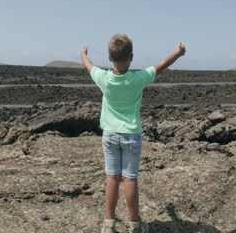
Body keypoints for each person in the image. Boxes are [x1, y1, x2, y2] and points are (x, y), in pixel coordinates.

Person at [80, 34, 186, 233]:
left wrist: (83, 54)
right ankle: (135, 225)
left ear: (110, 58)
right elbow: (162, 65)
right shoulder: (139, 78)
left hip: (110, 135)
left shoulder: (103, 78)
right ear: (131, 56)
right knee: (130, 179)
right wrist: (178, 53)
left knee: (112, 178)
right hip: (131, 135)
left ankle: (108, 224)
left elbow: (89, 66)